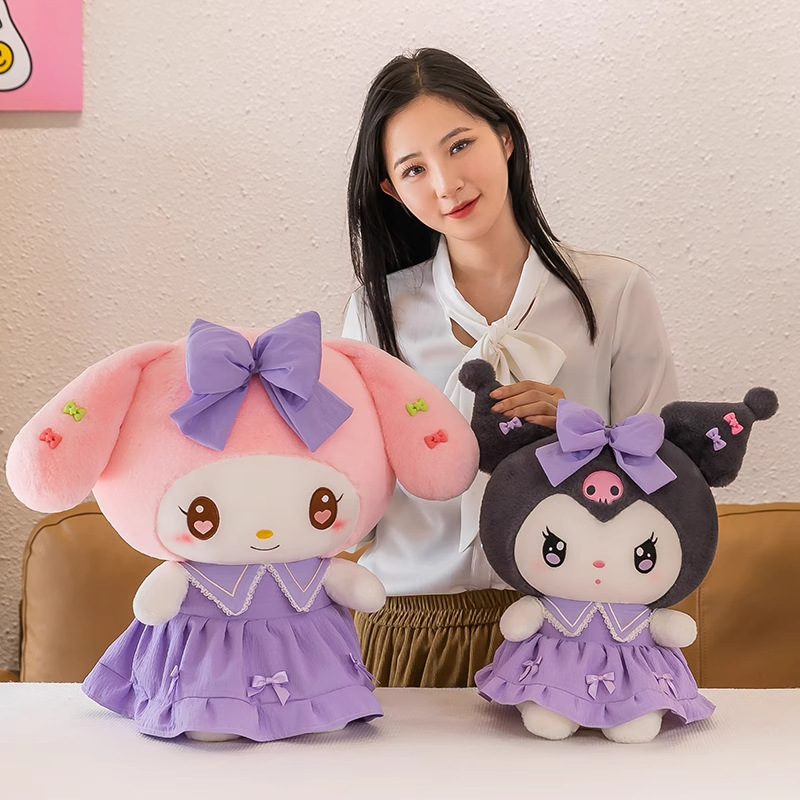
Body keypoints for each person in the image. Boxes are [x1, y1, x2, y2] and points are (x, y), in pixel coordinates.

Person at [342, 47, 678, 688]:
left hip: (578, 629)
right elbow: (354, 487)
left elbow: (669, 480)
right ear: (391, 189)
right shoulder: (376, 312)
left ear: (504, 138)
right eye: (414, 169)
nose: (446, 183)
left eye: (459, 145)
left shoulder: (616, 293)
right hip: (409, 625)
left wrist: (577, 429)